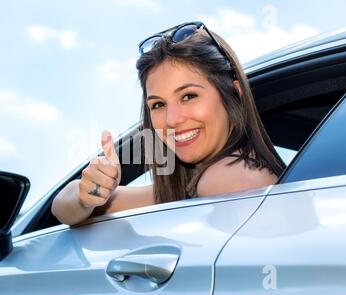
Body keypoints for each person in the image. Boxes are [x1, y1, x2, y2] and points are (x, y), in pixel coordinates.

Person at [51, 21, 286, 226]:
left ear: (234, 93)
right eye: (158, 105)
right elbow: (62, 205)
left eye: (189, 96)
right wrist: (90, 193)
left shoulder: (230, 179)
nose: (172, 120)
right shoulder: (200, 183)